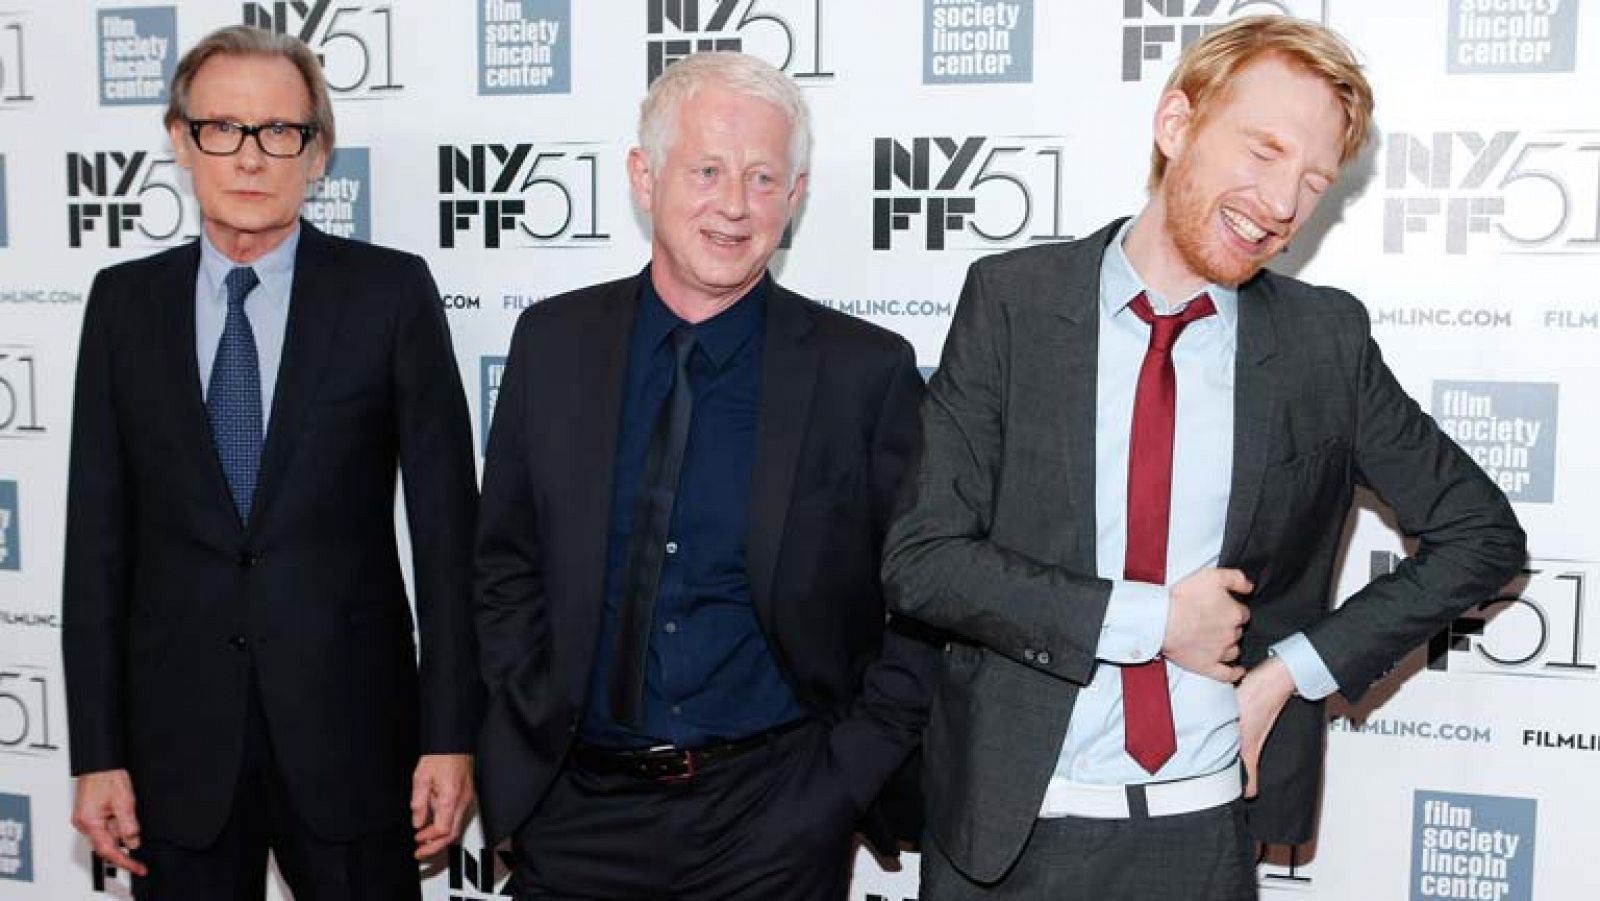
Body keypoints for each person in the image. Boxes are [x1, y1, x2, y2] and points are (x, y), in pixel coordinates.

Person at [881, 16, 1525, 900]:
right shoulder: (1014, 302)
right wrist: (1154, 621)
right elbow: (923, 562)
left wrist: (1292, 671)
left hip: (1202, 837)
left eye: (1313, 181)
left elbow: (1482, 535)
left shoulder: (1322, 342)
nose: (1283, 204)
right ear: (1176, 123)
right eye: (1264, 150)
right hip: (1003, 835)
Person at [474, 51, 936, 900]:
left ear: (795, 197)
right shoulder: (553, 344)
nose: (734, 205)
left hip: (775, 818)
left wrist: (841, 782)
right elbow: (505, 561)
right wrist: (528, 719)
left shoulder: (863, 373)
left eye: (764, 178)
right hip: (575, 815)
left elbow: (927, 598)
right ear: (644, 176)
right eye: (708, 170)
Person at [63, 25, 481, 900]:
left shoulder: (390, 293)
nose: (250, 157)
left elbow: (449, 539)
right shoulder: (122, 305)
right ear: (180, 140)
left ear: (316, 151)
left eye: (279, 131)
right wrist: (97, 752)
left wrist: (450, 734)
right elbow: (95, 545)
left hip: (354, 739)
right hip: (175, 752)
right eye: (223, 127)